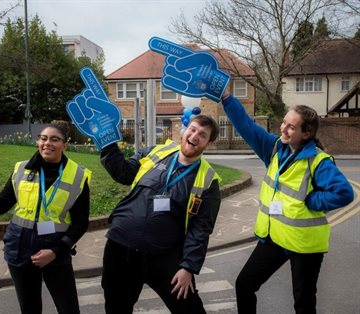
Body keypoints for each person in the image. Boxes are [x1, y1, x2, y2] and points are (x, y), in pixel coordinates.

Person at [219, 89, 354, 314]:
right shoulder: (274, 148)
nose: (283, 128)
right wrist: (226, 98)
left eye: (291, 126)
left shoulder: (318, 162)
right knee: (244, 284)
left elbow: (344, 193)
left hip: (304, 244)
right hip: (276, 238)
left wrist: (313, 201)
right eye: (284, 123)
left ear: (306, 133)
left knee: (303, 303)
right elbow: (247, 127)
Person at [100, 115, 222, 314]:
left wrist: (188, 267)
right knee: (116, 307)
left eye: (203, 134)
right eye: (193, 129)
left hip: (164, 256)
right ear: (185, 131)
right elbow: (123, 173)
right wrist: (107, 144)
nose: (195, 136)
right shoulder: (156, 152)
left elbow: (200, 230)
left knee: (190, 309)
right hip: (121, 247)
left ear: (208, 143)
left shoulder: (209, 181)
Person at [0, 124, 91, 314]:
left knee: (69, 309)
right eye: (43, 138)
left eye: (54, 139)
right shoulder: (21, 169)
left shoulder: (78, 175)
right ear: (37, 142)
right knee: (30, 309)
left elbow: (81, 222)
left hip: (55, 252)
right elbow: (1, 206)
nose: (47, 143)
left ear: (64, 145)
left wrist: (55, 251)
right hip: (19, 249)